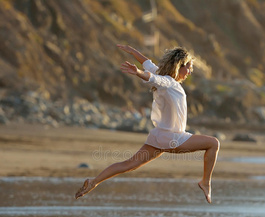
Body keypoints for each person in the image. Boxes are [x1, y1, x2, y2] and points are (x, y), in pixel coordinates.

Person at [75, 44, 220, 203]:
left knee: (128, 164)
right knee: (213, 143)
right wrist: (137, 72)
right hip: (173, 139)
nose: (190, 71)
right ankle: (205, 182)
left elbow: (147, 63)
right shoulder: (168, 81)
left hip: (158, 136)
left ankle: (93, 182)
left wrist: (132, 51)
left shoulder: (164, 77)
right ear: (180, 66)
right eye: (189, 67)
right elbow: (153, 77)